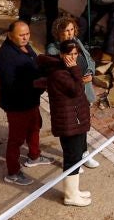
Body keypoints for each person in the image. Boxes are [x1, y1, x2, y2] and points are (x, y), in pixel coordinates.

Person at [0, 21, 53, 186]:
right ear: (10, 35)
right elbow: (12, 85)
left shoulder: (25, 47)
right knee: (16, 139)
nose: (25, 37)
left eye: (27, 34)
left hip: (31, 101)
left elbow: (35, 64)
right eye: (21, 35)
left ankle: (34, 156)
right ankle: (12, 172)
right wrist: (37, 84)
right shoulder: (6, 57)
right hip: (17, 105)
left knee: (35, 127)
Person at [36, 44, 93, 207]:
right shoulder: (59, 73)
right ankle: (70, 195)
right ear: (61, 54)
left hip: (75, 120)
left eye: (75, 54)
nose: (73, 57)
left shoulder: (66, 69)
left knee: (75, 158)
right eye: (70, 54)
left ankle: (74, 191)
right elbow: (76, 89)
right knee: (72, 159)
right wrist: (76, 70)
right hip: (68, 123)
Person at [46, 14, 100, 168]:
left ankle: (84, 154)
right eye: (65, 31)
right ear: (58, 33)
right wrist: (79, 79)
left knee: (82, 125)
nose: (69, 34)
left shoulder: (77, 43)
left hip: (83, 92)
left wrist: (89, 73)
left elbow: (89, 60)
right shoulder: (54, 50)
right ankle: (72, 161)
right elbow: (61, 75)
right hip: (68, 97)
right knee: (70, 130)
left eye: (71, 30)